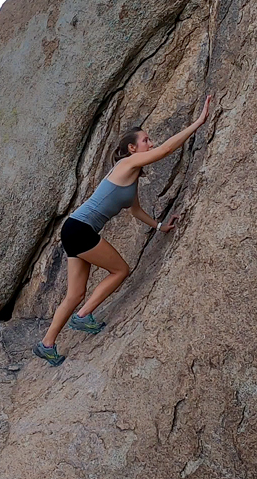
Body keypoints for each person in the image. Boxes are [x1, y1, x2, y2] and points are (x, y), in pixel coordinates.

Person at [33, 95, 212, 366]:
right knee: (120, 270)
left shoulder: (130, 180)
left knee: (74, 294)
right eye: (146, 141)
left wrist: (161, 226)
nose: (150, 144)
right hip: (80, 229)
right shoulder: (125, 164)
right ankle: (82, 317)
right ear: (132, 148)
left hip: (74, 229)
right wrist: (198, 122)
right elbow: (164, 152)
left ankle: (47, 344)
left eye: (150, 140)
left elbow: (136, 211)